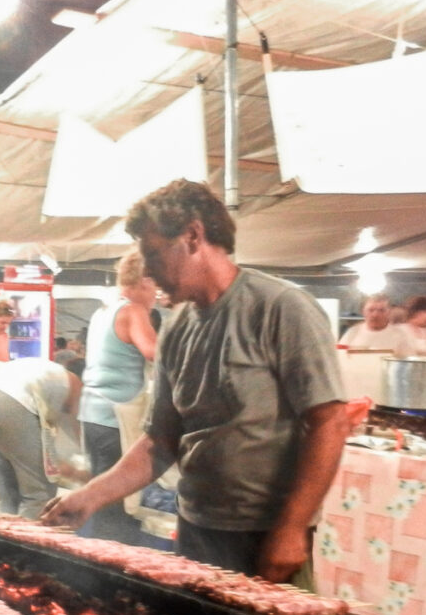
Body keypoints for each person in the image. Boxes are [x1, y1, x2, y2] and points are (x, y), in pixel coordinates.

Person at [41, 179, 349, 583]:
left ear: (192, 236)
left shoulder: (281, 307)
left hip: (265, 533)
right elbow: (160, 441)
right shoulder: (177, 329)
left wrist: (292, 527)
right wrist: (88, 497)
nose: (147, 270)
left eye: (153, 253)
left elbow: (330, 421)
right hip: (197, 527)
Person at [78, 250, 157, 543]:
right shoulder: (133, 310)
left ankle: (95, 563)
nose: (156, 296)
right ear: (145, 281)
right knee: (115, 502)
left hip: (93, 415)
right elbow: (153, 351)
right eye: (156, 287)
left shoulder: (103, 312)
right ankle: (109, 568)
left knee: (100, 494)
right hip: (116, 418)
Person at [0, 357, 84, 519]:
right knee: (39, 495)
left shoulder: (45, 372)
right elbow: (79, 433)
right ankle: (26, 544)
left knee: (9, 493)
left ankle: (2, 542)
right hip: (4, 405)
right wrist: (90, 473)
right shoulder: (74, 383)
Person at [338, 294, 417, 355]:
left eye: (381, 310)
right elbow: (340, 356)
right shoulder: (352, 333)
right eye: (371, 310)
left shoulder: (400, 335)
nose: (375, 314)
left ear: (389, 312)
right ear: (363, 311)